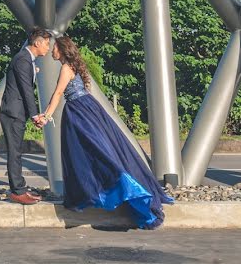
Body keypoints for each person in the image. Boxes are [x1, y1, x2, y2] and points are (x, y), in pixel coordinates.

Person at [36, 35, 173, 229]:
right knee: (96, 149)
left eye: (55, 47)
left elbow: (58, 93)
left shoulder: (66, 68)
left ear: (63, 49)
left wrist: (45, 116)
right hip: (87, 108)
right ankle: (111, 186)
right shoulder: (73, 66)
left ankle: (124, 185)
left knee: (91, 151)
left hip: (79, 112)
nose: (52, 50)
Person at [0, 27, 53, 205]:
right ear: (37, 43)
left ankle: (20, 188)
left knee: (17, 151)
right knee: (15, 152)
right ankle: (17, 192)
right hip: (13, 112)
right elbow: (26, 90)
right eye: (46, 44)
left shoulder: (26, 60)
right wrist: (35, 115)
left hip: (15, 111)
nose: (48, 47)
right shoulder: (23, 59)